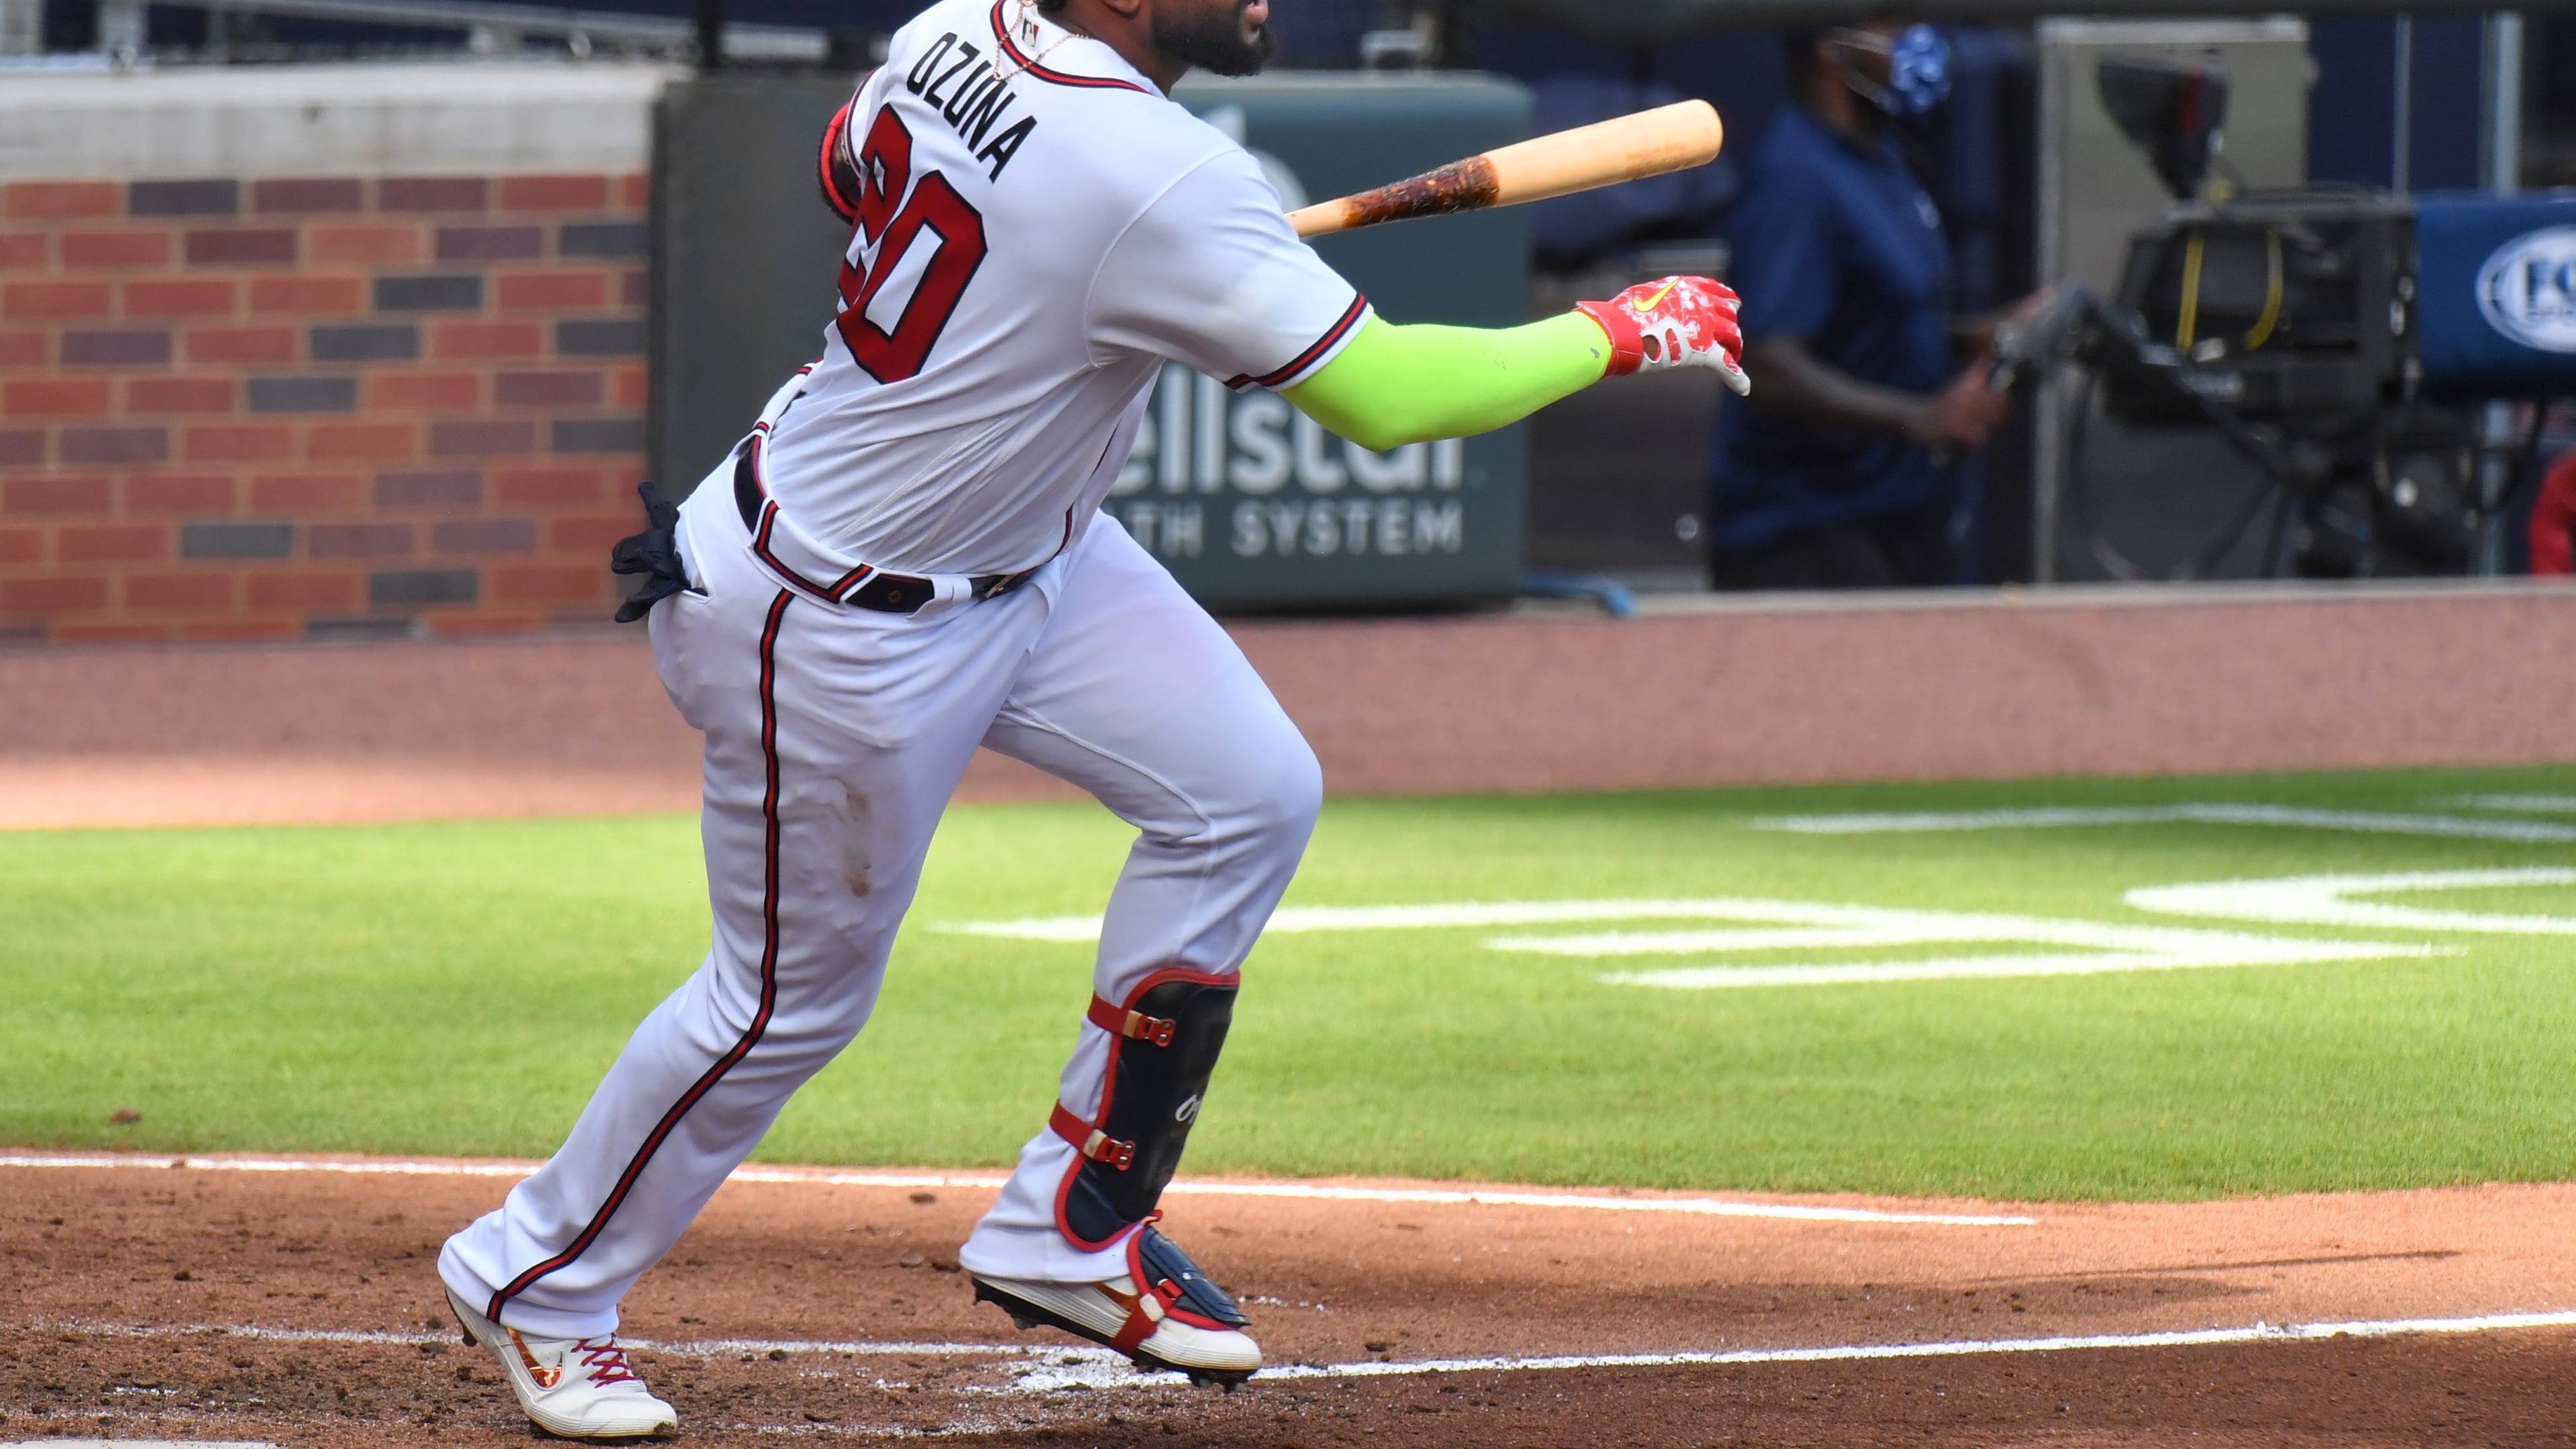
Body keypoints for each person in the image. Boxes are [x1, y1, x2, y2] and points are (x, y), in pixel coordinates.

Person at [431, 0, 1752, 1434]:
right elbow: (1390, 398)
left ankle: (1069, 1225)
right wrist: (1617, 332)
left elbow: (847, 168)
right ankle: (535, 1279)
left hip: (1031, 555)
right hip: (835, 619)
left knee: (1247, 792)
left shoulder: (960, 29)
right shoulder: (1159, 175)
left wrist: (1057, 270)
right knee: (784, 1004)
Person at [1706, 22, 2021, 590]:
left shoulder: (1881, 155)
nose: (1913, 41)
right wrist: (1922, 416)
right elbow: (1767, 364)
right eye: (1890, 28)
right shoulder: (1795, 177)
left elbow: (1871, 315)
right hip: (1805, 536)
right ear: (1831, 53)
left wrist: (1975, 336)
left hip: (1888, 517)